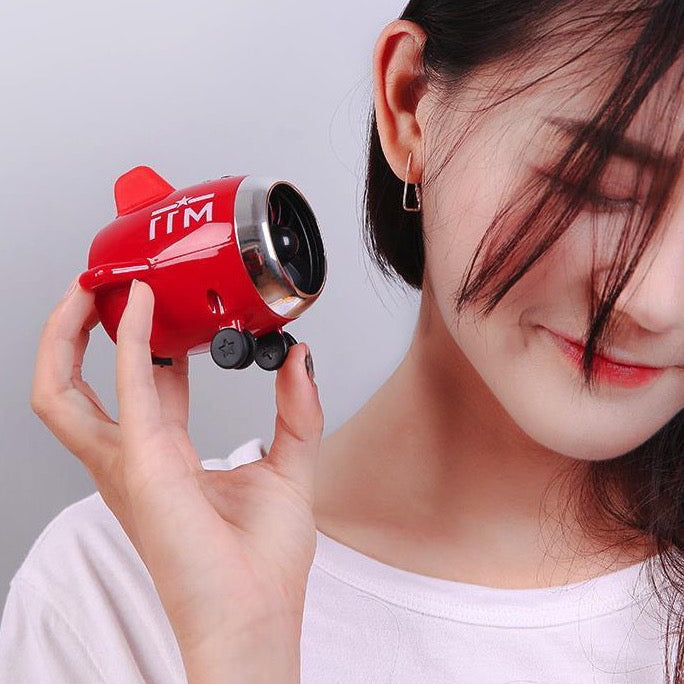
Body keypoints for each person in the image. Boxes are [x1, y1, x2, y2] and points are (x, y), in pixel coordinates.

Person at [2, 0, 684, 681]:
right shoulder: (107, 594)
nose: (656, 303)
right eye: (599, 184)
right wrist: (242, 654)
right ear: (411, 103)